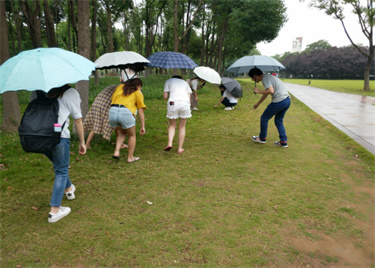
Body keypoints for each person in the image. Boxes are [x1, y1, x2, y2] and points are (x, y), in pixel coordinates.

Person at [44, 84, 86, 223]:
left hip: (40, 137)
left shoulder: (41, 90)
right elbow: (78, 120)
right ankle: (54, 212)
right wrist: (82, 142)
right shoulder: (70, 92)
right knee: (61, 171)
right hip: (59, 136)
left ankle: (69, 189)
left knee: (59, 165)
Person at [248, 67, 291, 148]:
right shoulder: (269, 77)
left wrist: (258, 91)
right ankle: (283, 142)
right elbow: (266, 93)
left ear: (255, 76)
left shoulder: (265, 79)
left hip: (279, 101)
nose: (253, 80)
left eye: (252, 78)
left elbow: (271, 91)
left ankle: (262, 138)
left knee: (264, 118)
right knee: (278, 121)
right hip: (287, 101)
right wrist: (258, 103)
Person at [109, 78, 146, 162]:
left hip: (112, 111)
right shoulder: (137, 92)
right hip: (126, 112)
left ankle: (117, 151)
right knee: (132, 135)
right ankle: (130, 157)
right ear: (139, 86)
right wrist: (143, 125)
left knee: (122, 132)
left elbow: (113, 98)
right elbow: (140, 110)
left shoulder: (119, 87)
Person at [83, 84, 127, 149]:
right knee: (117, 126)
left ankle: (87, 144)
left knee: (95, 125)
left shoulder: (112, 86)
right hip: (105, 106)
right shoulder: (122, 91)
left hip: (97, 103)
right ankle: (121, 144)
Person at [163, 75, 192, 154]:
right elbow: (189, 97)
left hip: (173, 102)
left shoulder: (168, 81)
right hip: (185, 103)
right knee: (182, 126)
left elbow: (165, 96)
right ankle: (180, 148)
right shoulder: (185, 83)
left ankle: (169, 143)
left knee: (172, 125)